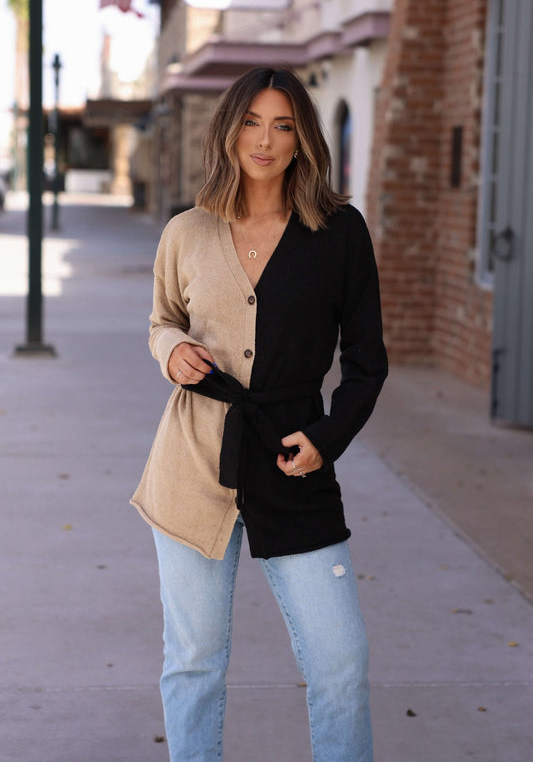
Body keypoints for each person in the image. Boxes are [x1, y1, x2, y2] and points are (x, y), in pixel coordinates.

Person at [131, 67, 388, 762]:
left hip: (292, 459)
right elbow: (161, 320)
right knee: (193, 662)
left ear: (302, 137)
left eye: (281, 124)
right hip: (191, 465)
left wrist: (327, 439)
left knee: (341, 664)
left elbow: (367, 363)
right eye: (250, 122)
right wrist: (172, 349)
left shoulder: (337, 232)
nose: (265, 140)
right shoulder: (187, 229)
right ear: (228, 131)